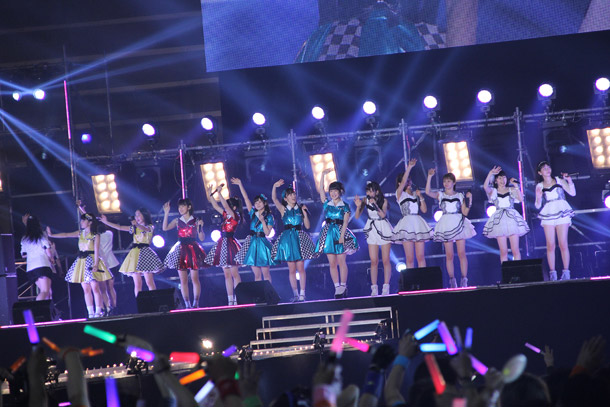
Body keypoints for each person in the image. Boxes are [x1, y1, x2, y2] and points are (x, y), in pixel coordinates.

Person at [47, 213, 112, 318]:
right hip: (82, 261)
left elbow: (96, 251)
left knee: (95, 287)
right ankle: (90, 312)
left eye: (83, 220)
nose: (81, 222)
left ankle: (98, 311)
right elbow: (66, 235)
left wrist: (96, 264)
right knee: (86, 288)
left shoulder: (95, 235)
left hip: (92, 260)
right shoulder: (80, 233)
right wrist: (52, 235)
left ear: (89, 222)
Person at [425, 169, 476, 288]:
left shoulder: (459, 195)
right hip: (446, 223)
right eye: (444, 181)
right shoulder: (440, 194)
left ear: (454, 182)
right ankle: (452, 280)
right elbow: (427, 192)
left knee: (462, 253)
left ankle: (464, 279)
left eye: (448, 181)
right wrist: (429, 176)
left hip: (458, 222)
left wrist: (470, 200)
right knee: (449, 255)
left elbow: (465, 212)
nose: (446, 183)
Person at [100, 208, 164, 301]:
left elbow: (145, 229)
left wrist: (137, 225)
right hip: (135, 255)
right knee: (137, 284)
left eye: (138, 215)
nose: (136, 217)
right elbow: (119, 227)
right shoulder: (134, 227)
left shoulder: (150, 226)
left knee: (149, 281)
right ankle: (140, 303)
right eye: (135, 215)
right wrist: (106, 222)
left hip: (146, 254)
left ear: (144, 215)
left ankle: (154, 301)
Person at [315, 168, 358, 298]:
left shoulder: (345, 206)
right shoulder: (327, 204)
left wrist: (342, 236)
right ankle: (337, 287)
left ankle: (343, 286)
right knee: (332, 263)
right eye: (331, 191)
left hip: (340, 232)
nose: (333, 193)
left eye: (335, 191)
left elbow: (345, 222)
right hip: (328, 233)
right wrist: (322, 175)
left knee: (341, 261)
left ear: (340, 192)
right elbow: (321, 190)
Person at [271, 179, 317, 302]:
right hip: (288, 239)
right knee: (291, 269)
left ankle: (303, 293)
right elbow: (274, 199)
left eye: (294, 194)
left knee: (301, 268)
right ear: (285, 198)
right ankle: (295, 294)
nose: (293, 196)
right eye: (290, 195)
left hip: (299, 238)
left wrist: (305, 213)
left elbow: (307, 226)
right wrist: (275, 186)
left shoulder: (300, 209)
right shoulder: (283, 209)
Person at [77, 200, 120, 316]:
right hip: (109, 262)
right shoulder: (108, 234)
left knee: (102, 289)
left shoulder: (95, 235)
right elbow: (90, 219)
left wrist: (81, 209)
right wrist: (82, 210)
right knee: (109, 288)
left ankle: (107, 308)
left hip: (102, 263)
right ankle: (112, 308)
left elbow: (90, 219)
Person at [535, 161, 575, 281]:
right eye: (544, 168)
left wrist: (569, 181)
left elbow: (572, 193)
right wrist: (538, 197)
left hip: (562, 211)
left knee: (563, 243)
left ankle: (566, 272)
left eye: (548, 167)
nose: (547, 170)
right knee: (550, 245)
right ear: (540, 172)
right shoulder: (539, 185)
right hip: (548, 213)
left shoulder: (559, 180)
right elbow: (537, 206)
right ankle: (553, 273)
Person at [204, 184, 243, 306]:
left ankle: (238, 298)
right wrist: (210, 194)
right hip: (223, 243)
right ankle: (230, 299)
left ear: (234, 207)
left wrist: (219, 193)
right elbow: (216, 206)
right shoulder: (226, 215)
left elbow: (225, 206)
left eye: (230, 206)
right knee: (226, 274)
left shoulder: (235, 216)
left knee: (234, 273)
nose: (226, 208)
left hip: (230, 243)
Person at [163, 199, 206, 308]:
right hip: (180, 249)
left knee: (195, 278)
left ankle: (196, 302)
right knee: (183, 280)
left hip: (193, 248)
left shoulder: (196, 220)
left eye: (183, 206)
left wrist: (201, 227)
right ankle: (187, 304)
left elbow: (202, 238)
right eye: (179, 207)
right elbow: (165, 228)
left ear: (189, 207)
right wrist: (166, 213)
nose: (180, 209)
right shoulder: (177, 221)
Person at [482, 166, 530, 263]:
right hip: (499, 220)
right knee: (503, 251)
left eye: (504, 177)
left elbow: (521, 199)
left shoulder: (511, 189)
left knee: (515, 249)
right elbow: (485, 187)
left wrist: (516, 186)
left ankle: (517, 270)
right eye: (499, 178)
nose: (502, 180)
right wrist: (491, 173)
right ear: (496, 181)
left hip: (512, 219)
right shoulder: (493, 191)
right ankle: (506, 271)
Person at [392, 158, 433, 270]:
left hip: (418, 223)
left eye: (409, 180)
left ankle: (423, 278)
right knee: (409, 258)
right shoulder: (399, 194)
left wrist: (421, 196)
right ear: (400, 183)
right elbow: (403, 181)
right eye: (406, 181)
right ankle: (411, 280)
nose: (408, 182)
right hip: (406, 225)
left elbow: (424, 210)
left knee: (420, 256)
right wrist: (409, 167)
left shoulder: (415, 194)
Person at [231, 178, 275, 282]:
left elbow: (267, 233)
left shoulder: (269, 216)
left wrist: (263, 221)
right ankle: (259, 292)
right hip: (252, 243)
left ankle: (268, 292)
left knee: (266, 274)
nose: (258, 204)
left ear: (264, 203)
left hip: (262, 243)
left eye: (260, 202)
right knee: (257, 275)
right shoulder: (253, 213)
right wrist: (240, 184)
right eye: (256, 202)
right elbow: (246, 198)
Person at [354, 181, 394, 296]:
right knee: (373, 260)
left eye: (371, 191)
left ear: (377, 191)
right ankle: (374, 288)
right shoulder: (365, 200)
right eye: (368, 191)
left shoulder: (384, 201)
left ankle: (386, 287)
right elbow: (357, 216)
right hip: (372, 228)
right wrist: (358, 206)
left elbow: (383, 215)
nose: (369, 193)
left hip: (383, 227)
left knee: (386, 260)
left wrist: (375, 204)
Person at [20, 215, 54, 301]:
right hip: (42, 265)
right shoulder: (41, 236)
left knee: (47, 293)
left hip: (31, 268)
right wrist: (51, 258)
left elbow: (23, 254)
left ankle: (45, 309)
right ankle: (37, 308)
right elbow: (48, 250)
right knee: (45, 291)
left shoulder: (24, 239)